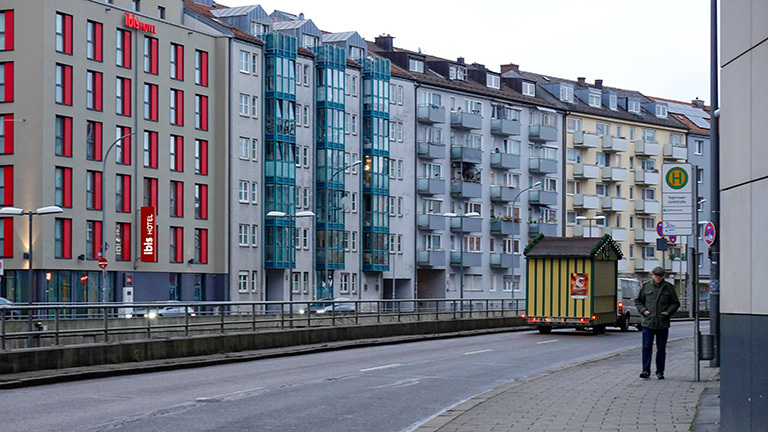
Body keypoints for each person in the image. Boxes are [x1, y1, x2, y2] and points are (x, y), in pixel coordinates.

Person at [635, 266, 680, 379]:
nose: (658, 278)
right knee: (646, 347)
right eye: (656, 276)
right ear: (652, 276)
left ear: (662, 276)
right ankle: (646, 370)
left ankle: (660, 371)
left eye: (660, 276)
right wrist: (643, 311)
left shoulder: (668, 288)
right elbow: (638, 301)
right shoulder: (646, 287)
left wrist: (668, 312)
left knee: (661, 349)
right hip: (648, 322)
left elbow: (675, 303)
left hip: (662, 323)